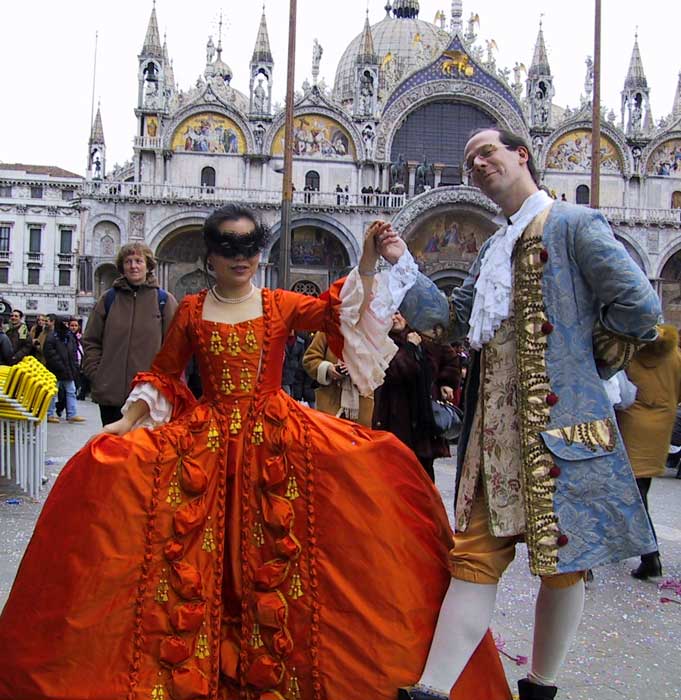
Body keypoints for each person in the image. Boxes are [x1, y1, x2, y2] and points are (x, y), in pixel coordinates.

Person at [0, 205, 508, 700]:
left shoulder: (279, 303)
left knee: (355, 489)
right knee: (195, 547)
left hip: (277, 440)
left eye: (250, 248)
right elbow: (164, 372)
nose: (241, 259)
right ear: (211, 257)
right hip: (208, 443)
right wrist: (123, 427)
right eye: (230, 249)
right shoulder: (193, 310)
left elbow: (339, 311)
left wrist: (371, 260)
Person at [392, 127, 661, 700]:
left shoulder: (573, 225)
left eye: (486, 152)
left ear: (522, 155)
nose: (477, 164)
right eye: (469, 161)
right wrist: (402, 266)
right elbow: (449, 322)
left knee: (564, 559)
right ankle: (429, 692)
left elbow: (640, 308)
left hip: (560, 430)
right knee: (474, 555)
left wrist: (586, 360)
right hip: (491, 434)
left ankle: (541, 686)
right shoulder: (492, 247)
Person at [82, 242, 178, 426]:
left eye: (138, 261)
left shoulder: (164, 301)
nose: (133, 266)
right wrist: (97, 374)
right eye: (128, 262)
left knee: (141, 451)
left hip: (147, 397)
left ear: (148, 265)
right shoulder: (108, 299)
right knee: (112, 449)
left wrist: (162, 382)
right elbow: (91, 340)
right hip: (111, 392)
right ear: (122, 267)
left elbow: (174, 346)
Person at [617, 323, 681, 581]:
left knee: (633, 494)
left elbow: (618, 388)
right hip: (661, 426)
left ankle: (650, 555)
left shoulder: (630, 352)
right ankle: (634, 548)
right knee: (640, 488)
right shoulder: (675, 355)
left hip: (632, 423)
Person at [372, 313, 460, 481]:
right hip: (395, 419)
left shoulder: (423, 337)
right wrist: (410, 348)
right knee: (398, 476)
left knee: (424, 476)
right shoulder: (382, 342)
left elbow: (449, 357)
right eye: (390, 313)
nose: (394, 318)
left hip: (423, 419)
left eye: (398, 313)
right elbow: (394, 371)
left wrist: (446, 382)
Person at [302, 330, 374, 426]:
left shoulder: (373, 330)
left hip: (363, 410)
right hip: (330, 406)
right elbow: (309, 360)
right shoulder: (328, 330)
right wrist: (328, 369)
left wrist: (357, 370)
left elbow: (384, 367)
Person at [43, 316, 86, 424]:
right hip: (56, 370)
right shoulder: (52, 336)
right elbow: (50, 353)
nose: (67, 326)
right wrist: (60, 366)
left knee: (71, 391)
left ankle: (72, 414)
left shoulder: (69, 337)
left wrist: (75, 366)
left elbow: (73, 353)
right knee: (53, 393)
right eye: (65, 323)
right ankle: (49, 414)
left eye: (68, 323)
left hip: (69, 369)